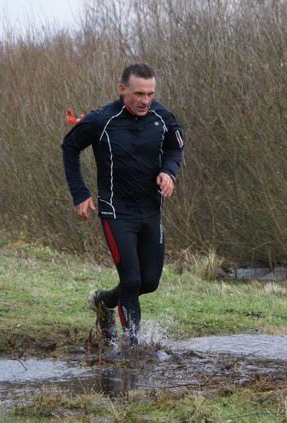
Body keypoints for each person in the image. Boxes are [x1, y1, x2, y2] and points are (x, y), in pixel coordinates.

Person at [62, 63, 184, 345]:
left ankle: (103, 301)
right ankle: (133, 349)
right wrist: (80, 193)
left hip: (151, 209)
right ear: (123, 90)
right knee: (131, 280)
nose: (145, 100)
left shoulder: (161, 115)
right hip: (116, 212)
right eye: (139, 93)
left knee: (148, 282)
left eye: (150, 93)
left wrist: (169, 171)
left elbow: (175, 145)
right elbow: (70, 148)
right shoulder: (101, 120)